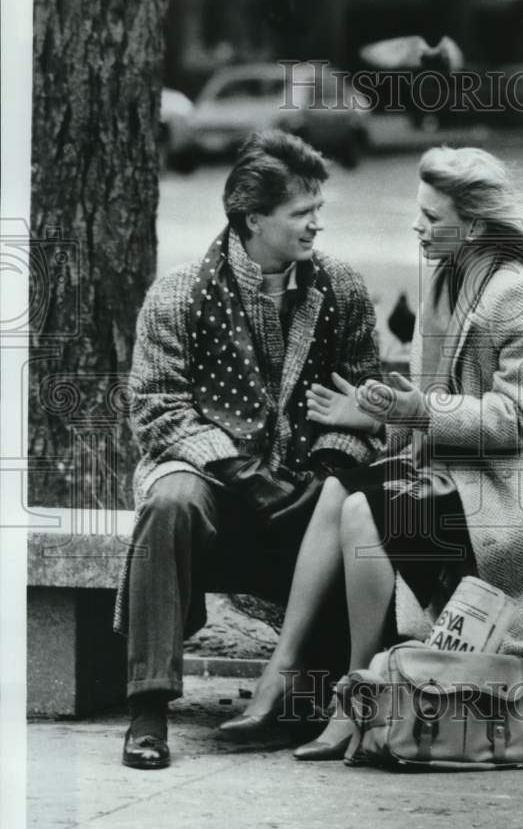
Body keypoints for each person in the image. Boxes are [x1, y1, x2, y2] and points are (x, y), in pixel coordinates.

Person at [226, 145, 523, 760]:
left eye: (432, 218)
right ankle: (284, 670)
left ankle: (357, 699)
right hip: (469, 477)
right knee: (339, 489)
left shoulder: (518, 293)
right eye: (419, 214)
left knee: (364, 511)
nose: (418, 227)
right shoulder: (451, 280)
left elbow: (520, 420)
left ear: (474, 225)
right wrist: (378, 414)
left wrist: (412, 411)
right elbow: (427, 414)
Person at [115, 130, 383, 769]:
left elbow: (363, 400)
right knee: (168, 505)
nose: (316, 225)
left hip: (304, 493)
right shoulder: (177, 294)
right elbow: (157, 410)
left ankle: (305, 699)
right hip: (211, 486)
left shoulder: (339, 289)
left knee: (348, 510)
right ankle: (148, 711)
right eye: (301, 213)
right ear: (253, 217)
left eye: (318, 210)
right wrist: (241, 473)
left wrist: (326, 470)